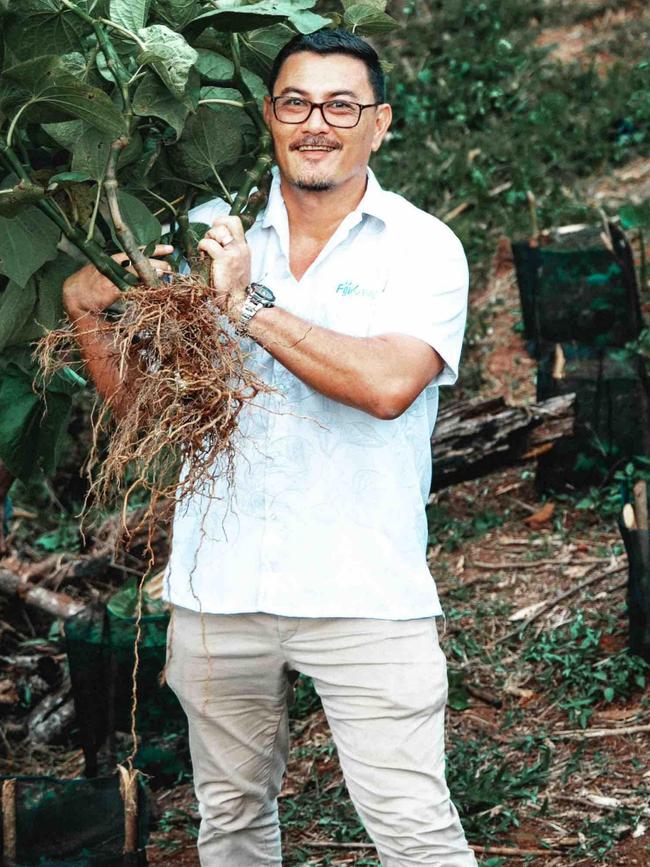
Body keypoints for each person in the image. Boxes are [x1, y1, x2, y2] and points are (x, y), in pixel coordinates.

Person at [63, 28, 476, 867]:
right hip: (220, 589)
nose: (316, 122)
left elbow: (388, 385)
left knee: (414, 829)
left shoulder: (422, 246)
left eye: (341, 105)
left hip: (365, 592)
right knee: (232, 821)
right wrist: (89, 316)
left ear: (380, 122)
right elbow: (147, 409)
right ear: (268, 116)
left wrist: (245, 305)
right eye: (296, 103)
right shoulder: (200, 229)